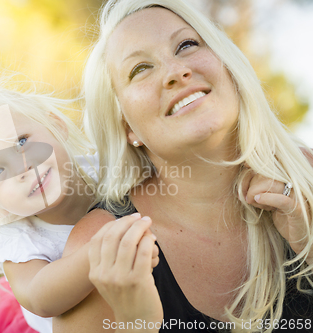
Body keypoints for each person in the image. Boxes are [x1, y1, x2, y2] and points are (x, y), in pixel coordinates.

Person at [53, 1, 313, 332]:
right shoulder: (100, 245)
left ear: (227, 65)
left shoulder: (307, 176)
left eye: (186, 45)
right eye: (140, 69)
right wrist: (137, 324)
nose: (177, 72)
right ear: (127, 127)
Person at [0, 80, 159, 333]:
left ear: (57, 125)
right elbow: (39, 298)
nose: (23, 168)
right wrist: (102, 251)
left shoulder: (103, 165)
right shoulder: (18, 238)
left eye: (21, 142)